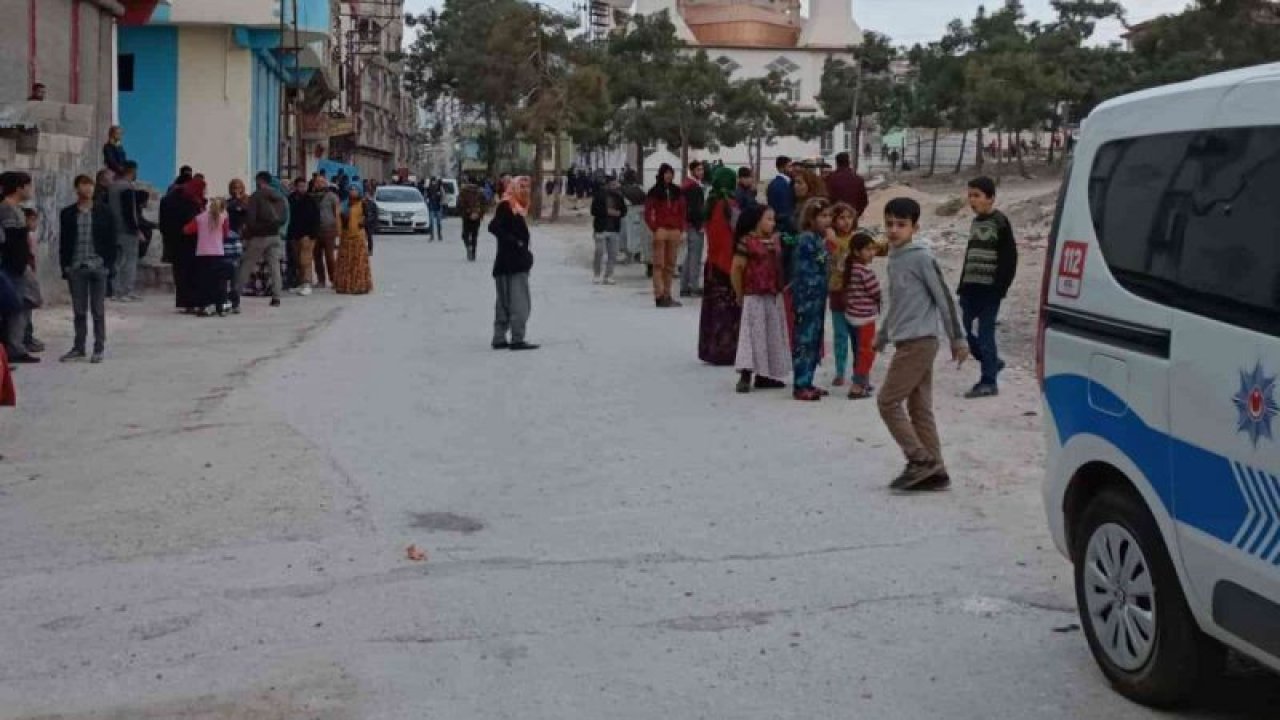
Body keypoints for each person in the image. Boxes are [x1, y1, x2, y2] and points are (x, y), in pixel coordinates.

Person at [874, 197, 967, 492]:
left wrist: (958, 337)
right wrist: (883, 334)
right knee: (919, 407)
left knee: (887, 402)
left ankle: (919, 459)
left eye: (901, 224)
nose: (893, 230)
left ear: (915, 227)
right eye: (889, 224)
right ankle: (936, 470)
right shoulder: (895, 258)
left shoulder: (921, 258)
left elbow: (944, 298)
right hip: (906, 341)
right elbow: (897, 304)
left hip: (920, 342)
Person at [958, 176, 1017, 398]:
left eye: (977, 196)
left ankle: (988, 381)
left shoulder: (999, 222)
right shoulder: (976, 223)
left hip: (989, 290)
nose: (972, 200)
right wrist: (963, 284)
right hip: (970, 288)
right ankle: (992, 362)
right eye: (970, 195)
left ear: (991, 198)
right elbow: (971, 255)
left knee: (985, 334)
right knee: (963, 330)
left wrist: (1000, 288)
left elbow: (1010, 258)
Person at [731, 206, 789, 393]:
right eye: (768, 219)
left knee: (770, 334)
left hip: (772, 295)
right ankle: (745, 374)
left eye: (773, 219)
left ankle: (764, 375)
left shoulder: (775, 241)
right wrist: (739, 294)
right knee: (751, 335)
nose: (772, 223)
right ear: (757, 221)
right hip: (753, 295)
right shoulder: (747, 242)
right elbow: (737, 268)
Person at [789, 198, 833, 402]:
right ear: (811, 219)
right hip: (807, 298)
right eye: (823, 216)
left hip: (817, 297)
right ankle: (801, 384)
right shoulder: (806, 239)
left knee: (814, 339)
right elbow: (808, 269)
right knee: (805, 341)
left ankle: (808, 380)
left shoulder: (817, 239)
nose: (828, 220)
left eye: (829, 216)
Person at [697, 166, 741, 366]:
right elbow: (738, 230)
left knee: (712, 309)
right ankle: (727, 351)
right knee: (728, 310)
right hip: (728, 263)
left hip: (713, 262)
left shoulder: (710, 203)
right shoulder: (730, 205)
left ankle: (710, 349)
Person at [489, 177, 537, 351]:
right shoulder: (507, 205)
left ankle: (499, 338)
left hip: (506, 264)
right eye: (521, 186)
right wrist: (516, 242)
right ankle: (517, 339)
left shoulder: (514, 207)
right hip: (513, 265)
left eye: (527, 187)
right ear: (513, 188)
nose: (525, 190)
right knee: (519, 304)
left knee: (504, 303)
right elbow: (494, 227)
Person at [0, 172, 36, 363]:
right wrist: (19, 265)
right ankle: (14, 348)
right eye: (28, 186)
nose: (30, 190)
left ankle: (19, 343)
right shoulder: (7, 209)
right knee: (16, 306)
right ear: (19, 188)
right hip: (13, 267)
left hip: (20, 265)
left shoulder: (16, 209)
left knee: (26, 303)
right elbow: (11, 241)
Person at [842, 231, 882, 400]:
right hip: (865, 319)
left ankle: (862, 381)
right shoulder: (865, 272)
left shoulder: (850, 269)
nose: (872, 253)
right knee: (867, 352)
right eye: (868, 249)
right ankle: (857, 387)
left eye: (873, 249)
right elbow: (877, 293)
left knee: (859, 351)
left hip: (851, 317)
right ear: (857, 252)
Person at [239, 171, 286, 307]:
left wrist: (251, 232)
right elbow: (283, 217)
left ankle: (235, 294)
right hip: (275, 235)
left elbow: (251, 220)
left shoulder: (256, 196)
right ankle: (276, 296)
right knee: (274, 267)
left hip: (259, 236)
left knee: (247, 264)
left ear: (260, 181)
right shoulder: (279, 196)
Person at [643, 164, 686, 308]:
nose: (668, 175)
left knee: (670, 265)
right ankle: (659, 295)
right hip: (661, 230)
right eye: (666, 173)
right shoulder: (654, 192)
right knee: (658, 264)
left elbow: (683, 211)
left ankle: (667, 294)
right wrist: (654, 227)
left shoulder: (677, 191)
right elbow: (648, 212)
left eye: (670, 173)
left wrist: (681, 227)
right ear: (661, 174)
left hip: (674, 230)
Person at [826, 202, 858, 387]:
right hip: (837, 292)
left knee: (857, 335)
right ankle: (840, 371)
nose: (846, 222)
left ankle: (859, 371)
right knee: (840, 334)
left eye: (849, 217)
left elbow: (849, 255)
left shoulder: (856, 239)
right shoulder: (828, 241)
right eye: (841, 218)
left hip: (855, 293)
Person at [159, 175, 200, 312]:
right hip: (189, 240)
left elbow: (163, 223)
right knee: (191, 272)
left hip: (173, 240)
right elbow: (193, 221)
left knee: (179, 272)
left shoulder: (166, 200)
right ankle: (191, 302)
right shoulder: (190, 201)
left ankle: (183, 301)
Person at [185, 197, 231, 316]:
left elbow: (187, 230)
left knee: (204, 281)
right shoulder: (223, 218)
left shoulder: (200, 218)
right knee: (219, 282)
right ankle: (220, 306)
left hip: (202, 253)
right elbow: (226, 234)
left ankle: (206, 305)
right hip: (218, 252)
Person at [107, 161, 144, 302]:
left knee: (117, 261)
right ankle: (126, 290)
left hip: (113, 229)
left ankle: (115, 291)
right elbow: (128, 211)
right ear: (132, 171)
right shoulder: (127, 188)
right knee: (129, 261)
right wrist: (136, 230)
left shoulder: (112, 186)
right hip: (127, 230)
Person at [334, 185, 373, 295]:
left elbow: (369, 217)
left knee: (358, 262)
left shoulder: (363, 203)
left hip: (358, 236)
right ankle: (344, 285)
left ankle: (359, 285)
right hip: (345, 236)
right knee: (345, 262)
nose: (352, 191)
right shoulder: (344, 204)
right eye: (351, 189)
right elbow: (338, 218)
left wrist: (362, 223)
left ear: (359, 191)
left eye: (355, 189)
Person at [590, 175, 626, 285]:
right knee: (599, 252)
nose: (615, 186)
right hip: (601, 228)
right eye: (613, 184)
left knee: (613, 254)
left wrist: (619, 213)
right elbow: (593, 211)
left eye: (616, 184)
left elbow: (624, 210)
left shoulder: (619, 197)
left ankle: (609, 275)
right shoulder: (599, 196)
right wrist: (607, 212)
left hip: (614, 229)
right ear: (607, 185)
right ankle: (597, 274)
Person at [680, 160, 708, 298]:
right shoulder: (694, 187)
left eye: (702, 169)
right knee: (695, 258)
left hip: (689, 225)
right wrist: (700, 225)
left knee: (690, 256)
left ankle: (684, 286)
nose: (701, 172)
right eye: (698, 170)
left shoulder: (687, 185)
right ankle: (694, 287)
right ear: (692, 171)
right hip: (695, 226)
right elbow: (695, 209)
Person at [287, 177, 319, 296]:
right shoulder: (290, 199)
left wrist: (312, 234)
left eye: (304, 186)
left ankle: (307, 283)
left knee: (305, 259)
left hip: (307, 234)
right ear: (295, 187)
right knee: (297, 260)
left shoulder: (310, 200)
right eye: (300, 186)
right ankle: (300, 283)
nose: (302, 188)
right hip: (294, 234)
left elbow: (316, 217)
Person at [310, 176, 341, 289]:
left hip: (329, 229)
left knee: (329, 256)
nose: (319, 184)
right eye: (317, 182)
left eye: (322, 182)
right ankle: (321, 280)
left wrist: (338, 229)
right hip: (315, 230)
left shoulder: (332, 197)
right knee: (316, 256)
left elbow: (337, 213)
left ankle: (334, 279)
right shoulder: (311, 196)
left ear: (326, 183)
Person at [20, 208, 44, 354]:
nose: (35, 224)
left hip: (29, 273)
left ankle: (28, 337)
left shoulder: (30, 236)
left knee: (28, 310)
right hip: (24, 276)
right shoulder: (24, 237)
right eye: (33, 220)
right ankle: (26, 339)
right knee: (25, 309)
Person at [223, 181, 247, 314]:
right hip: (229, 238)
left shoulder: (246, 201)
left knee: (237, 272)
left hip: (241, 237)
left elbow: (247, 214)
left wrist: (240, 202)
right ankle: (229, 300)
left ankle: (235, 302)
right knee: (230, 272)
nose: (236, 190)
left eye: (238, 187)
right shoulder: (228, 203)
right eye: (233, 188)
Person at [826, 152, 868, 217]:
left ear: (837, 163)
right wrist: (856, 214)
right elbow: (864, 201)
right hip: (852, 216)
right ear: (849, 162)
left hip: (835, 217)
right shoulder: (858, 179)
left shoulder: (830, 179)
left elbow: (827, 198)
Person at [458, 180, 487, 262]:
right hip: (477, 217)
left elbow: (459, 204)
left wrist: (464, 214)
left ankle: (468, 246)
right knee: (474, 235)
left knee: (465, 234)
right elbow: (484, 204)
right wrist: (480, 214)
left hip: (466, 217)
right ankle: (473, 253)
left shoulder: (463, 192)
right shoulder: (480, 192)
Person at [766, 156, 796, 235]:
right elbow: (784, 210)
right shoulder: (780, 185)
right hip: (784, 228)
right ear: (781, 168)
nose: (792, 169)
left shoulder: (778, 183)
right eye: (789, 166)